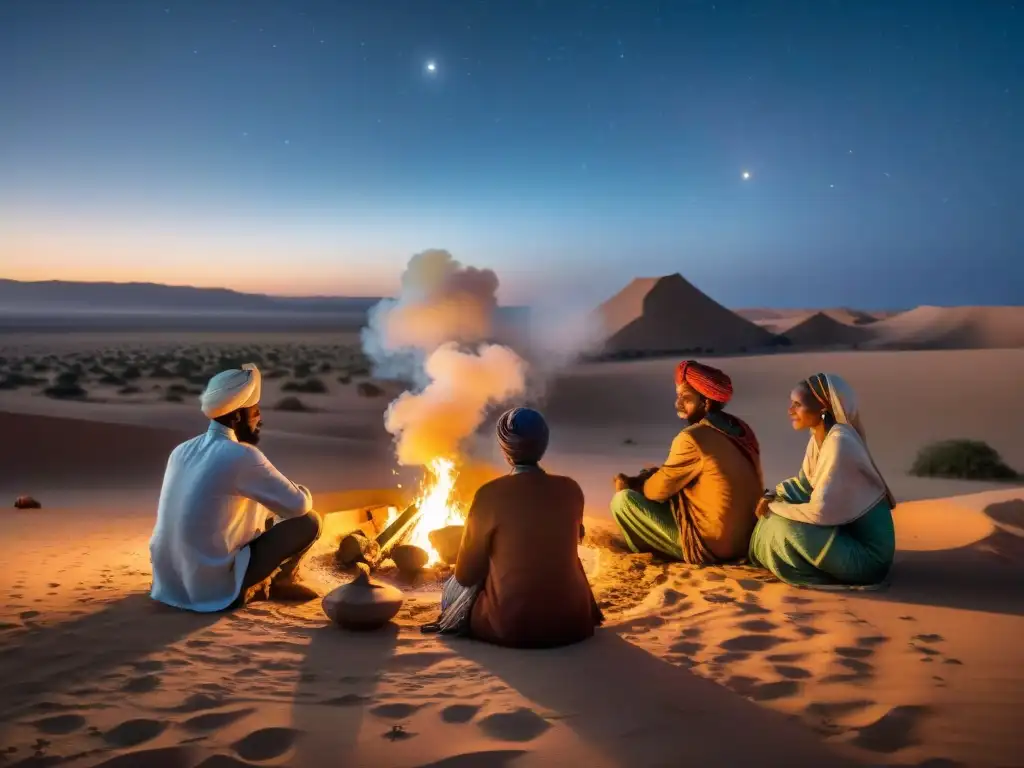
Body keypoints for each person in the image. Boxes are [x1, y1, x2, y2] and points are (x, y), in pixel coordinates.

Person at [422, 407, 602, 648]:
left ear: (504, 449)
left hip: (510, 628)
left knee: (455, 586)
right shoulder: (571, 489)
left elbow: (466, 575)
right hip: (573, 624)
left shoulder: (489, 494)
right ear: (543, 443)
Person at [149, 363, 322, 612]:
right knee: (309, 521)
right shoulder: (242, 455)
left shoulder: (181, 450)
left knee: (271, 514)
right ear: (238, 415)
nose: (259, 419)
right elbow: (298, 505)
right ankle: (280, 583)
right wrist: (300, 490)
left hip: (168, 583)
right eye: (255, 411)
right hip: (210, 588)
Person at [748, 373, 896, 588]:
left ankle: (808, 569)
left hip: (868, 560)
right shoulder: (819, 438)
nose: (790, 410)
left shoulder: (840, 442)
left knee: (786, 527)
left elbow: (821, 512)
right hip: (845, 536)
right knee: (778, 511)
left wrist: (776, 508)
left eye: (797, 404)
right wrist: (772, 496)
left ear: (823, 409)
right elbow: (802, 485)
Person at [610, 360, 763, 564]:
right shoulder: (742, 429)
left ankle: (649, 551)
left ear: (706, 403)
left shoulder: (692, 438)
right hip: (746, 541)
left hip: (713, 547)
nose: (678, 404)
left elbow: (657, 492)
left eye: (686, 398)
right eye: (678, 396)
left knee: (623, 501)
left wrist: (632, 485)